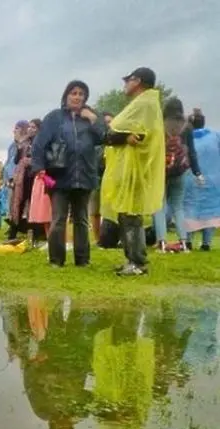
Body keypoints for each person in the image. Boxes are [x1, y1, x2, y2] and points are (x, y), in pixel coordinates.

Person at [32, 80, 105, 267]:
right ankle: (56, 259)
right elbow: (39, 144)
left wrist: (93, 119)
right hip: (60, 177)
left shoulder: (90, 118)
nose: (77, 97)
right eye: (74, 93)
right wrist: (39, 167)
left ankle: (82, 260)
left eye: (81, 94)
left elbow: (104, 136)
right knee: (58, 219)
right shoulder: (54, 118)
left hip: (85, 176)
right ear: (66, 96)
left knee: (81, 219)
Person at [101, 67, 165, 276]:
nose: (125, 85)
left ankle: (137, 262)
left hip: (135, 167)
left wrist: (119, 135)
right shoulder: (145, 102)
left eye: (127, 80)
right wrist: (120, 136)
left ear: (137, 81)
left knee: (131, 215)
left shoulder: (145, 102)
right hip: (130, 165)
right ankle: (132, 258)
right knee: (126, 213)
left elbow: (117, 126)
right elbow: (117, 132)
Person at [153, 98, 203, 253]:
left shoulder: (159, 125)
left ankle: (161, 242)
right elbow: (192, 152)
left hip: (160, 169)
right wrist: (197, 172)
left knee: (159, 206)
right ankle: (183, 242)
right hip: (180, 171)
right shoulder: (187, 127)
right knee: (178, 206)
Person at [184, 110, 220, 251]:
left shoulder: (186, 137)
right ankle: (206, 242)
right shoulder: (215, 136)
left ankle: (187, 240)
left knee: (188, 208)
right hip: (213, 180)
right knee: (209, 210)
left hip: (190, 178)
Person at [90, 112, 114, 243]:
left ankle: (111, 236)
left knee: (111, 210)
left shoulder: (117, 140)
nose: (108, 124)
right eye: (106, 122)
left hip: (112, 178)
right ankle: (97, 238)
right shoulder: (97, 141)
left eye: (110, 121)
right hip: (97, 177)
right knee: (95, 210)